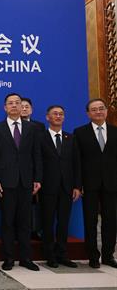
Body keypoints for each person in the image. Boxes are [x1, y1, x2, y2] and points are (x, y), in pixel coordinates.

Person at [0, 93, 42, 271]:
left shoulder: (32, 128)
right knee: (7, 221)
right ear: (5, 107)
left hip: (27, 181)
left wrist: (37, 178)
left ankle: (26, 258)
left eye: (17, 103)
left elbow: (37, 155)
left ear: (22, 107)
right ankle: (9, 258)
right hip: (5, 182)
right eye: (10, 103)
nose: (14, 106)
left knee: (25, 221)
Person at [74, 99, 117, 269]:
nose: (98, 112)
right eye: (94, 110)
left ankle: (108, 255)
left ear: (106, 111)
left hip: (112, 183)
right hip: (88, 184)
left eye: (101, 109)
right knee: (90, 220)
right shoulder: (80, 132)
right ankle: (92, 255)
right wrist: (78, 184)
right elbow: (77, 161)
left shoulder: (115, 132)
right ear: (88, 114)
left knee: (111, 220)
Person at [40, 105, 80, 268]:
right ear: (47, 117)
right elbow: (38, 162)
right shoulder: (40, 137)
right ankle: (49, 255)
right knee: (47, 222)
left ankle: (62, 254)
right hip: (47, 187)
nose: (58, 116)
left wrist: (77, 186)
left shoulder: (70, 138)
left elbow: (76, 164)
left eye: (61, 114)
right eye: (54, 114)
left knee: (64, 222)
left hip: (67, 187)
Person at [21, 97, 45, 240]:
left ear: (31, 109)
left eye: (27, 106)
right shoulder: (8, 126)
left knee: (36, 203)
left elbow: (40, 150)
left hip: (35, 169)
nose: (24, 108)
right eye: (21, 106)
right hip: (17, 171)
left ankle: (36, 230)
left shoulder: (39, 126)